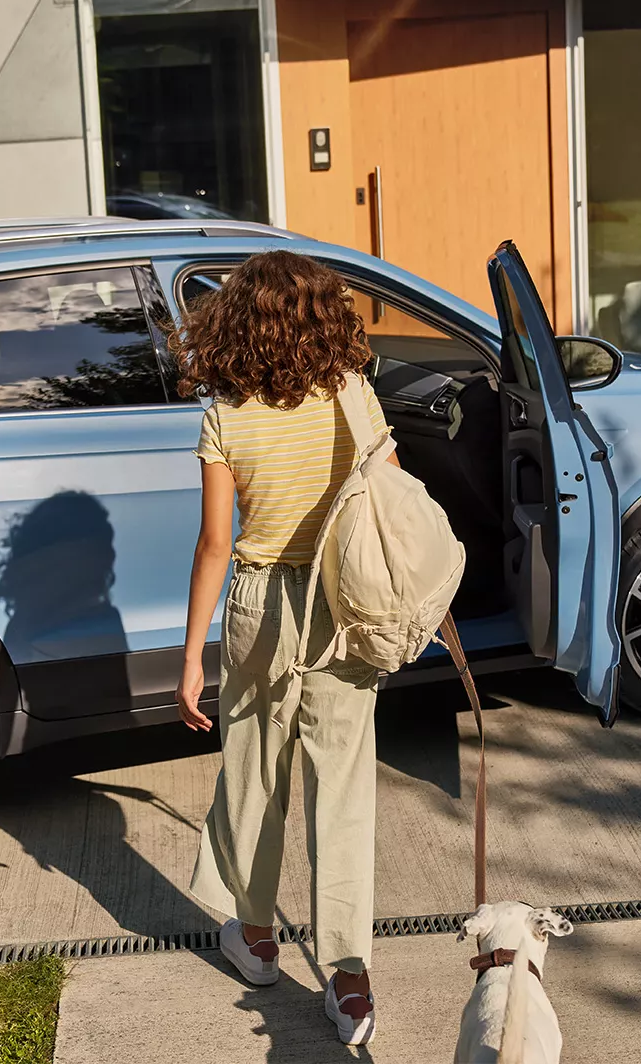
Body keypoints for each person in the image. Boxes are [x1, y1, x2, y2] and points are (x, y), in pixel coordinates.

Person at [170, 249, 397, 1046]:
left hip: (260, 605)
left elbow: (213, 545)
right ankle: (350, 984)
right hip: (343, 603)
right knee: (341, 789)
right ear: (323, 315)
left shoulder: (226, 414)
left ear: (236, 322)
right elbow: (387, 504)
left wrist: (192, 654)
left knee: (254, 773)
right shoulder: (354, 398)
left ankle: (258, 940)